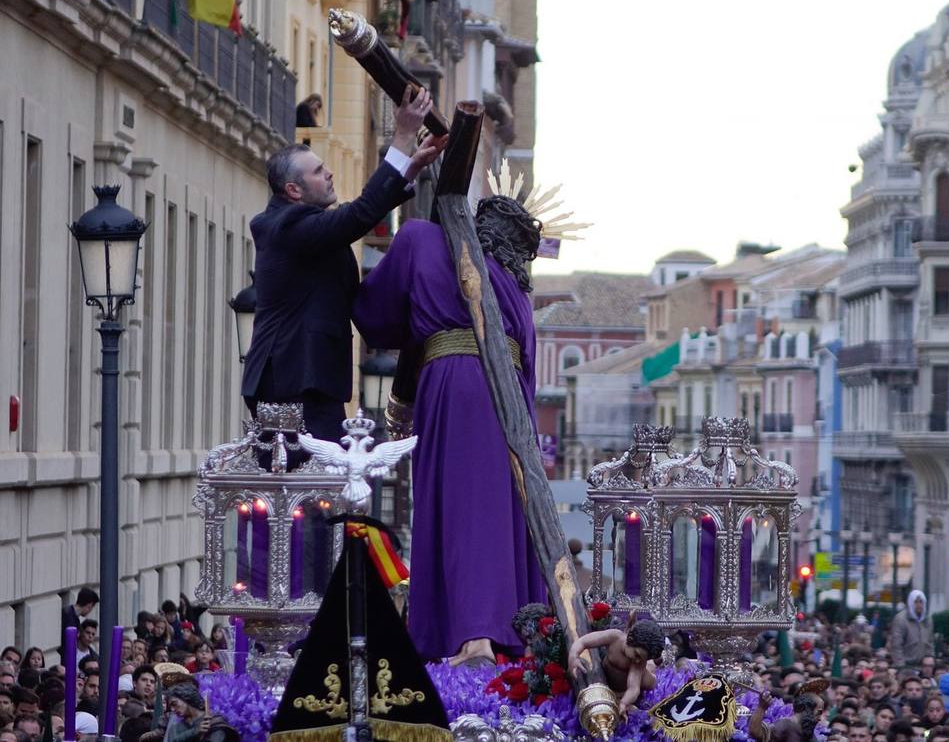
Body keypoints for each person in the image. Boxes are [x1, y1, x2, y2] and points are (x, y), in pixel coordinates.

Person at [352, 193, 546, 664]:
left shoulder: (421, 238)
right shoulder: (517, 294)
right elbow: (530, 371)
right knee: (495, 510)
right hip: (509, 400)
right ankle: (499, 630)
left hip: (450, 382)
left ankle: (472, 634)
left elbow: (374, 316)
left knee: (458, 504)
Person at [241, 86, 444, 443]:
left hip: (313, 379)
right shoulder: (288, 226)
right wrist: (404, 136)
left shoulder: (307, 228)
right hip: (293, 380)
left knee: (326, 484)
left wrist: (409, 170)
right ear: (293, 191)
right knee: (307, 488)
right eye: (319, 171)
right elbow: (360, 214)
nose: (330, 173)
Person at [565, 617, 663, 714]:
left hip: (621, 691)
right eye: (637, 655)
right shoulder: (615, 637)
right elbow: (583, 641)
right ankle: (651, 665)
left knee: (651, 683)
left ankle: (651, 666)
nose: (637, 660)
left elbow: (633, 688)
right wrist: (574, 656)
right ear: (630, 638)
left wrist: (624, 703)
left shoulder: (637, 663)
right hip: (607, 677)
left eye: (642, 659)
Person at [888, 591, 934, 667]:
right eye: (916, 602)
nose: (919, 605)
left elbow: (930, 642)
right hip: (906, 664)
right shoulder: (901, 619)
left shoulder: (928, 619)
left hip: (923, 665)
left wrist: (931, 659)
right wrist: (901, 666)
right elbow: (896, 646)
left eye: (921, 602)